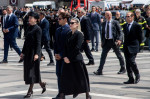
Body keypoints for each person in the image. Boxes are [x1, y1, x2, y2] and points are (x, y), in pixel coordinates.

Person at [59, 18, 91, 99]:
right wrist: (65, 57)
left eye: (72, 23)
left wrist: (69, 57)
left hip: (76, 59)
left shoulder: (79, 34)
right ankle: (62, 95)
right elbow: (65, 47)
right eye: (70, 23)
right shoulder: (69, 34)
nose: (70, 24)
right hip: (68, 59)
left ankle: (87, 95)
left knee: (81, 78)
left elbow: (77, 48)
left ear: (77, 24)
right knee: (64, 77)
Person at [20, 12, 46, 98]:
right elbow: (26, 42)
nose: (29, 19)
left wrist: (37, 54)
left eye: (31, 18)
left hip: (34, 53)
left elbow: (39, 43)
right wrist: (22, 52)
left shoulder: (38, 29)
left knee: (32, 73)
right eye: (29, 18)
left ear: (35, 19)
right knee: (31, 72)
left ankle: (29, 92)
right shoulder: (28, 27)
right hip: (28, 53)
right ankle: (42, 84)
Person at [93, 11, 125, 75]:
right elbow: (102, 33)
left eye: (110, 14)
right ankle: (100, 70)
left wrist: (119, 40)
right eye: (107, 15)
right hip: (106, 41)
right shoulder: (104, 23)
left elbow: (120, 32)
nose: (109, 16)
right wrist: (102, 41)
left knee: (119, 55)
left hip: (114, 41)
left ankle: (123, 68)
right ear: (105, 16)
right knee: (103, 56)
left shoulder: (115, 22)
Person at [53, 12, 71, 99]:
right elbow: (55, 43)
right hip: (58, 56)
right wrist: (55, 53)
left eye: (60, 19)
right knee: (58, 74)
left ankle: (63, 93)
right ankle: (60, 93)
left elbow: (68, 46)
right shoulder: (58, 30)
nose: (58, 20)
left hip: (65, 56)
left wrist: (61, 54)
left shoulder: (69, 30)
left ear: (65, 20)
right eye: (58, 18)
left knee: (64, 75)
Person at [123, 12, 142, 84]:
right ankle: (130, 78)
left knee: (132, 61)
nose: (127, 18)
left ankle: (137, 75)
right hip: (126, 47)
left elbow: (140, 37)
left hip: (134, 46)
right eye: (126, 16)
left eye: (128, 16)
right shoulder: (125, 25)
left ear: (132, 17)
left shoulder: (137, 26)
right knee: (127, 63)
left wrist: (138, 45)